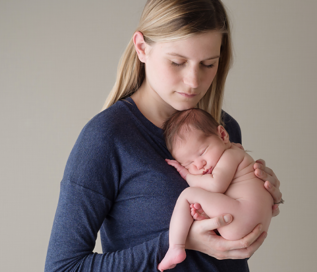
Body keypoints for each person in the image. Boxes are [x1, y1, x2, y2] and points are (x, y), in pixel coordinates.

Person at [45, 0, 283, 271]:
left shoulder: (223, 128)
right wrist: (176, 243)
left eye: (208, 64)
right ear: (142, 48)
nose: (194, 81)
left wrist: (261, 199)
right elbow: (63, 267)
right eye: (177, 62)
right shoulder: (107, 137)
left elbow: (227, 252)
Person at [158, 108, 274, 271]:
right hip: (250, 220)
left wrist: (186, 174)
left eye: (202, 152)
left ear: (223, 135)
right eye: (188, 164)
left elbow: (215, 185)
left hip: (243, 216)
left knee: (187, 194)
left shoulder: (231, 155)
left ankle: (176, 247)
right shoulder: (234, 152)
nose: (199, 165)